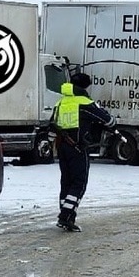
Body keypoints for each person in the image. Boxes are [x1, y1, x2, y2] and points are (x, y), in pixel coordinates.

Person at [49, 72, 114, 232]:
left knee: (67, 181)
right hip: (78, 148)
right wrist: (111, 123)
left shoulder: (61, 102)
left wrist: (51, 143)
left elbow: (52, 125)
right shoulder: (85, 102)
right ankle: (65, 215)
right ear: (86, 86)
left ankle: (67, 216)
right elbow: (108, 120)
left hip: (63, 147)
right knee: (79, 182)